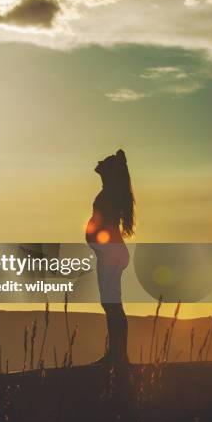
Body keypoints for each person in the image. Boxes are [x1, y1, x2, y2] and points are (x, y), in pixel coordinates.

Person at [85, 149, 135, 365]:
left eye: (103, 163)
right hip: (110, 252)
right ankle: (116, 353)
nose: (98, 163)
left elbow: (102, 225)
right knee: (111, 303)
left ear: (110, 171)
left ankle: (117, 355)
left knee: (111, 303)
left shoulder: (110, 194)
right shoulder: (111, 192)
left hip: (110, 253)